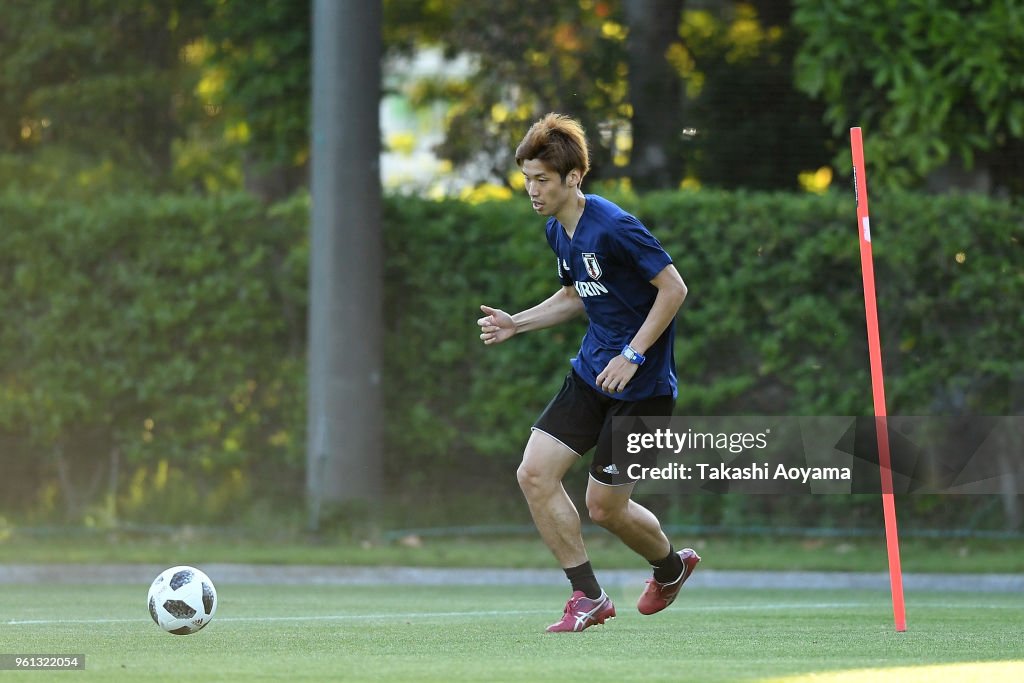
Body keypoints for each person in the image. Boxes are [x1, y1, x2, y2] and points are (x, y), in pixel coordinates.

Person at [477, 113, 700, 633]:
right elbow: (576, 294)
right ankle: (589, 596)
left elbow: (674, 289)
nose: (532, 190)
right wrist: (518, 323)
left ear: (573, 178)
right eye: (528, 179)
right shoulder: (559, 231)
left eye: (542, 180)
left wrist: (635, 354)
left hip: (642, 390)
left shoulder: (615, 225)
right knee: (534, 473)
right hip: (591, 374)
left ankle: (671, 567)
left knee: (605, 509)